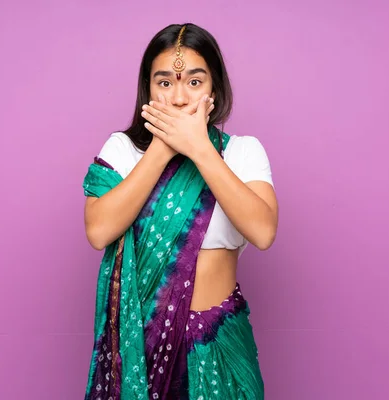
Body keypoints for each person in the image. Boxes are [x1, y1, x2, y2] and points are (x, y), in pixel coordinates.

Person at [82, 23, 278, 400]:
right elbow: (99, 230)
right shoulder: (124, 151)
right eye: (165, 83)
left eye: (194, 81)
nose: (178, 97)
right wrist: (163, 148)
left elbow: (263, 231)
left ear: (214, 89)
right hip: (142, 348)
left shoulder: (241, 153)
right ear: (149, 90)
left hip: (218, 343)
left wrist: (201, 148)